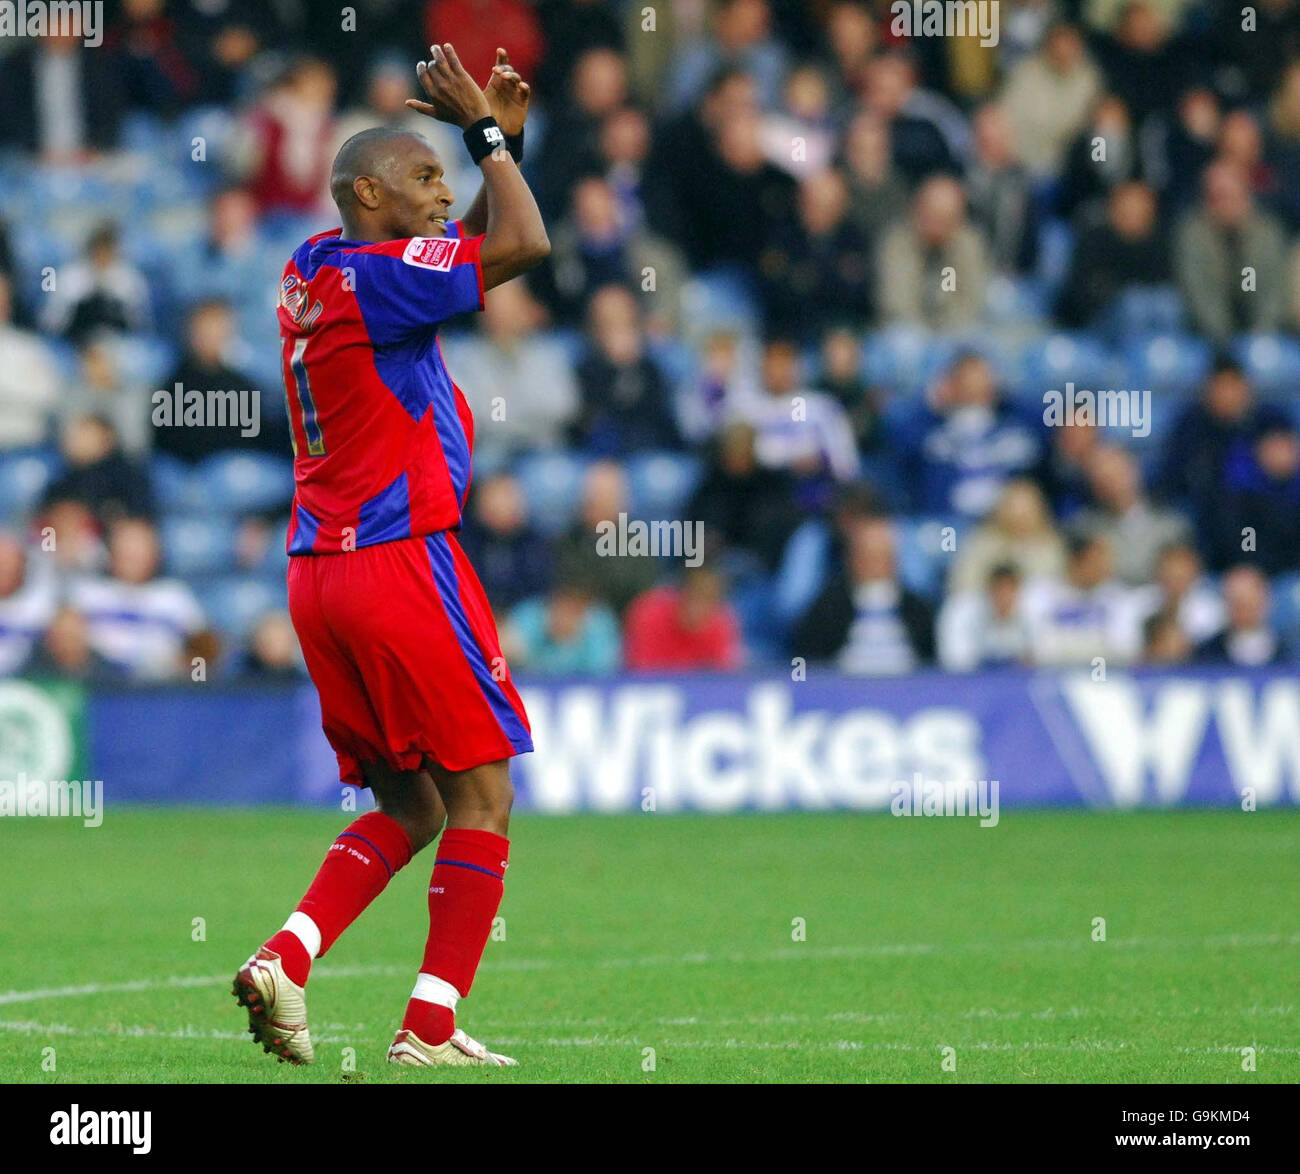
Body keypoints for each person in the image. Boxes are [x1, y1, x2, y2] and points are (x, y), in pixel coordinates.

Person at [234, 43, 549, 1072]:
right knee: (484, 795)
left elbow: (470, 246)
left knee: (407, 804)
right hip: (402, 559)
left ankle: (288, 955)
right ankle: (429, 1026)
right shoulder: (382, 280)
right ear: (367, 189)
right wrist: (490, 138)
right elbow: (524, 245)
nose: (440, 191)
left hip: (317, 576)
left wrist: (501, 146)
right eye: (422, 176)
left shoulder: (315, 268)